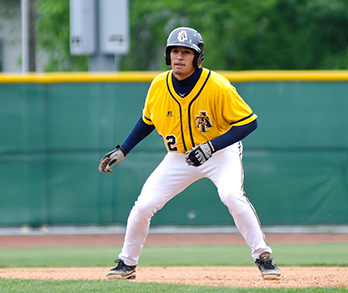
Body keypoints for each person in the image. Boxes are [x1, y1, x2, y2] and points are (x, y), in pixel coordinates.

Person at [98, 27, 281, 280]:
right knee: (144, 206)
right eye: (174, 51)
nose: (179, 57)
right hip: (179, 157)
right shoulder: (159, 85)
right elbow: (147, 120)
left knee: (231, 195)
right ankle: (127, 264)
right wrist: (124, 149)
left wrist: (210, 147)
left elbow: (249, 123)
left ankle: (263, 257)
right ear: (167, 55)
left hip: (220, 152)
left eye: (186, 52)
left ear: (198, 57)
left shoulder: (218, 86)